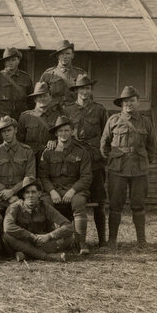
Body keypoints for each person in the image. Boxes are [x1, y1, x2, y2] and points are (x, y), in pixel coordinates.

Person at [101, 86, 157, 249]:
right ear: (121, 103)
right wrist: (112, 160)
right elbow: (104, 144)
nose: (128, 104)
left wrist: (145, 161)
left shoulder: (146, 121)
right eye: (125, 101)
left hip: (139, 169)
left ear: (137, 102)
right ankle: (112, 241)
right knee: (115, 204)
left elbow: (152, 146)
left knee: (138, 204)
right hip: (117, 169)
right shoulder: (113, 120)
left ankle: (141, 241)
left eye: (131, 101)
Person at [64, 73, 109, 246]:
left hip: (95, 161)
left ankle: (102, 240)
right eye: (81, 88)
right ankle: (73, 240)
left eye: (87, 88)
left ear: (91, 90)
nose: (85, 91)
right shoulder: (68, 110)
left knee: (99, 201)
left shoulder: (99, 109)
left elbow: (106, 135)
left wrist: (103, 155)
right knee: (72, 199)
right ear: (76, 91)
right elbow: (64, 132)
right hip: (74, 160)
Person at [39, 116, 93, 255]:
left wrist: (72, 191)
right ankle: (52, 240)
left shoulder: (81, 151)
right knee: (45, 203)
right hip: (54, 189)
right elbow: (43, 176)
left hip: (75, 190)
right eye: (60, 131)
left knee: (79, 202)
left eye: (67, 130)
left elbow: (86, 176)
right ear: (56, 133)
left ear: (72, 132)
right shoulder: (48, 152)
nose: (64, 134)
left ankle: (81, 242)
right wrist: (51, 191)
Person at [1, 177, 75, 262]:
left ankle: (26, 255)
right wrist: (31, 236)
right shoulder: (15, 207)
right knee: (6, 236)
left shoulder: (45, 207)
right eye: (27, 192)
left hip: (42, 241)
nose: (30, 195)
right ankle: (47, 257)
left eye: (34, 192)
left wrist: (49, 236)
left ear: (39, 194)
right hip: (24, 241)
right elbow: (8, 227)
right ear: (23, 195)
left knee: (69, 237)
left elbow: (68, 226)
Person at [0, 116, 36, 211]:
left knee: (27, 213)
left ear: (15, 130)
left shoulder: (27, 151)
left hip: (20, 195)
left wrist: (13, 191)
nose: (6, 134)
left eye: (9, 130)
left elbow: (30, 177)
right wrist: (6, 193)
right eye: (3, 132)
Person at [39, 39, 86, 108]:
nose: (65, 56)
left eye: (67, 53)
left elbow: (87, 94)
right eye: (61, 54)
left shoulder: (80, 73)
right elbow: (40, 95)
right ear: (57, 56)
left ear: (72, 55)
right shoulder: (48, 74)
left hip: (74, 111)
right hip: (54, 111)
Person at [0, 47, 33, 121]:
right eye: (8, 60)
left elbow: (31, 100)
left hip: (21, 118)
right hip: (2, 117)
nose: (10, 62)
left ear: (18, 61)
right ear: (4, 62)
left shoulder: (26, 78)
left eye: (13, 60)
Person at [18, 81, 61, 154]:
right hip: (30, 158)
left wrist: (55, 141)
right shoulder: (25, 117)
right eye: (39, 96)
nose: (42, 99)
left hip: (50, 158)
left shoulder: (58, 117)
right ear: (35, 99)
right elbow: (18, 142)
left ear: (50, 97)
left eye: (45, 95)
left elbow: (64, 137)